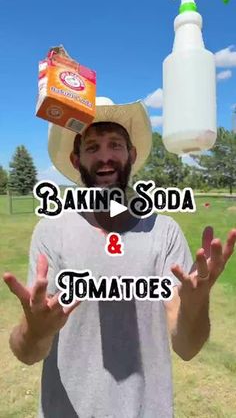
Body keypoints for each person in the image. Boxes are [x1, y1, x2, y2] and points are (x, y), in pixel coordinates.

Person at [4, 97, 236, 418]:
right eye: (92, 147)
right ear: (76, 159)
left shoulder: (163, 231)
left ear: (132, 154)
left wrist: (196, 307)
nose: (105, 157)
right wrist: (35, 331)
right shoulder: (51, 232)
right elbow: (28, 353)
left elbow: (187, 347)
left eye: (115, 144)